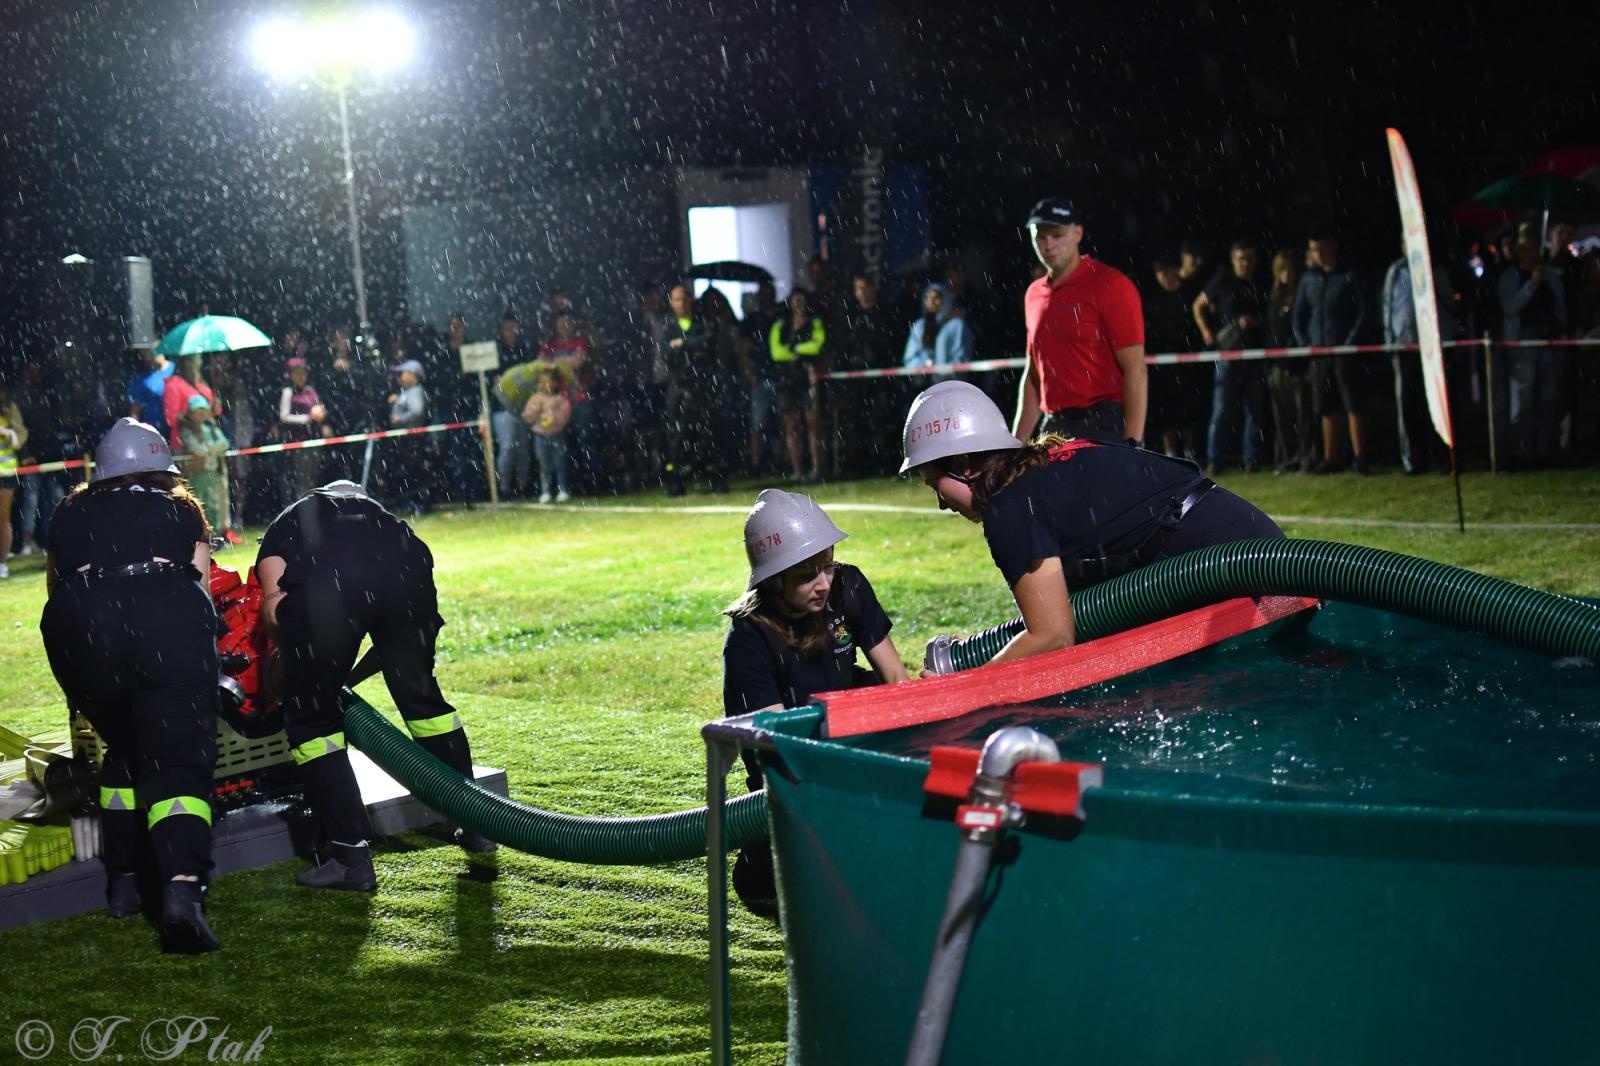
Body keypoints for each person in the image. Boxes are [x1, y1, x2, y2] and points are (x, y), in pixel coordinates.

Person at [901, 380, 1282, 665]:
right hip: (1252, 545)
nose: (941, 505)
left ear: (964, 465)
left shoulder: (1009, 508)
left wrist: (969, 685)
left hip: (1239, 569)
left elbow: (1053, 637)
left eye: (937, 485)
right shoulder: (1046, 464)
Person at [255, 480, 495, 891]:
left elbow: (276, 610)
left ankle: (350, 857)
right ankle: (476, 825)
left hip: (330, 579)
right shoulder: (384, 524)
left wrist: (303, 671)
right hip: (408, 567)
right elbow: (389, 650)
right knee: (423, 702)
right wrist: (343, 674)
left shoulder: (285, 525)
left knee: (312, 723)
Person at [39, 419, 221, 952]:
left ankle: (122, 883)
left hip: (79, 627)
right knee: (177, 760)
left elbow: (56, 588)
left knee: (125, 747)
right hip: (163, 614)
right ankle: (181, 892)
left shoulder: (69, 511)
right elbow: (202, 585)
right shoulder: (181, 508)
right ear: (160, 466)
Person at [721, 488, 908, 913]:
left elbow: (896, 679)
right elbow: (780, 746)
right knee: (793, 887)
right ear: (773, 578)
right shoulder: (750, 640)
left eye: (826, 565)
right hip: (794, 786)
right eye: (806, 574)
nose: (823, 583)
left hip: (851, 751)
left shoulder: (849, 586)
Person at [1013, 198, 1147, 445]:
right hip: (1053, 425)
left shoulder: (1111, 285)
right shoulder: (1034, 294)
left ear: (1077, 233)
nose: (1049, 244)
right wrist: (1015, 444)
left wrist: (1133, 441)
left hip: (1103, 422)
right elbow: (1034, 374)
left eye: (1057, 235)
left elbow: (1135, 369)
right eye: (1040, 237)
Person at [1291, 235, 1374, 474]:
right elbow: (1299, 317)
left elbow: (1363, 311)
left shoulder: (1350, 274)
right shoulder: (1309, 279)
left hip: (1346, 352)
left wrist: (1349, 343)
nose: (1317, 254)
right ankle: (1331, 457)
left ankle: (1360, 457)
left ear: (1333, 246)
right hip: (1319, 354)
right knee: (1325, 407)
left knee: (1353, 404)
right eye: (1313, 250)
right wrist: (1307, 345)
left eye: (1320, 248)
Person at [1193, 239, 1270, 474]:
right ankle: (1215, 459)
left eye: (1249, 258)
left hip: (1255, 354)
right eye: (1241, 259)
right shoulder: (1223, 281)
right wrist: (1207, 331)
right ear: (1233, 260)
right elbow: (1198, 305)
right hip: (1227, 354)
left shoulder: (1261, 282)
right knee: (1222, 410)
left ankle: (1252, 459)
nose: (1245, 263)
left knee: (1255, 410)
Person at [768, 288, 828, 482]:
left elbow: (817, 345)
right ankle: (797, 470)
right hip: (787, 380)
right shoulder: (780, 325)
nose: (798, 304)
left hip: (807, 378)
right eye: (795, 300)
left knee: (813, 424)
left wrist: (793, 348)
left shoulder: (814, 322)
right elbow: (776, 353)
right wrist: (801, 350)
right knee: (791, 426)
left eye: (801, 300)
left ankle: (817, 469)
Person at [278, 357, 328, 500]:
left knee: (314, 475)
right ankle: (303, 510)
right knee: (303, 478)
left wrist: (321, 414)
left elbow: (319, 408)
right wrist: (306, 418)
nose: (301, 376)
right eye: (297, 373)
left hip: (314, 438)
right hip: (299, 440)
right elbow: (284, 416)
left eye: (303, 373)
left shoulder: (310, 390)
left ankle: (314, 507)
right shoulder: (288, 392)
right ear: (290, 375)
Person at [522, 364, 573, 503]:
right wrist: (537, 410)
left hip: (557, 434)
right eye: (541, 382)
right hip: (540, 436)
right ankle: (546, 491)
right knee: (544, 464)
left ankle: (562, 489)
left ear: (555, 383)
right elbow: (527, 417)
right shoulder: (535, 399)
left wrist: (553, 414)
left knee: (560, 462)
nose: (543, 385)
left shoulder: (561, 400)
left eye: (547, 381)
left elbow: (564, 419)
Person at [901, 283, 974, 370]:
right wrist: (923, 365)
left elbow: (961, 357)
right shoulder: (919, 326)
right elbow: (909, 358)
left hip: (951, 381)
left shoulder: (957, 325)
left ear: (945, 299)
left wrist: (945, 372)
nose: (931, 302)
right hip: (925, 381)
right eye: (928, 298)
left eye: (936, 298)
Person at [0, 378, 26, 579]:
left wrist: (7, 432)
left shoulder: (8, 408)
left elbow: (19, 438)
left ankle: (2, 564)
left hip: (5, 473)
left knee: (3, 519)